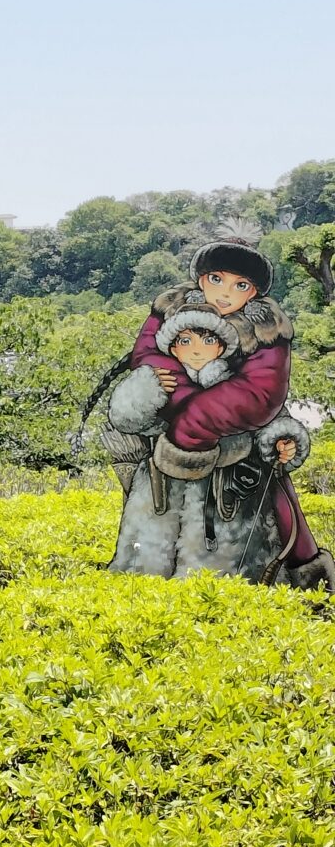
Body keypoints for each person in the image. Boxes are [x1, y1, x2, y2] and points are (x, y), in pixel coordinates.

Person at [121, 221, 334, 591]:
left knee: (268, 516)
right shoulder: (173, 308)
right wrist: (176, 398)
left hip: (237, 447)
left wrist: (191, 425)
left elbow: (261, 394)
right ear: (201, 278)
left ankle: (304, 581)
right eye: (216, 279)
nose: (224, 294)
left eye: (240, 286)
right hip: (167, 448)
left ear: (253, 292)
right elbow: (148, 357)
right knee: (156, 531)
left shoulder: (266, 326)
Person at [106, 302, 309, 581]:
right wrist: (145, 390)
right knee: (146, 567)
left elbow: (269, 420)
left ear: (222, 346)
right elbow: (126, 419)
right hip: (160, 491)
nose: (196, 348)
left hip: (228, 491)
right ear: (173, 348)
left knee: (224, 573)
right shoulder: (162, 380)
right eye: (185, 340)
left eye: (208, 339)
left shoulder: (239, 384)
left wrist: (283, 440)